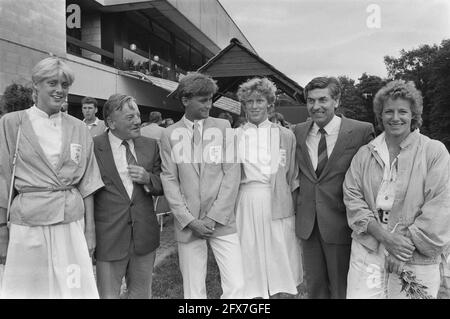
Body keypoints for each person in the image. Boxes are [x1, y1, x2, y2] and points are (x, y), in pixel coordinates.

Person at [0, 56, 103, 298]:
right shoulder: (11, 123)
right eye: (52, 83)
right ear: (36, 84)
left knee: (74, 289)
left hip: (70, 222)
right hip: (28, 222)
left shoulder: (79, 127)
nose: (60, 91)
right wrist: (1, 231)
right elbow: (3, 179)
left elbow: (87, 182)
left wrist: (90, 231)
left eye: (65, 85)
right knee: (28, 290)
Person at [343, 80, 450, 298]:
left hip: (412, 253)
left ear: (414, 115)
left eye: (402, 111)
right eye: (388, 111)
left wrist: (401, 247)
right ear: (380, 116)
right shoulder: (366, 153)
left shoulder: (434, 152)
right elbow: (352, 196)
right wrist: (384, 237)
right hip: (368, 249)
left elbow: (440, 207)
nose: (395, 117)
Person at [160, 72, 245, 299]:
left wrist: (213, 216)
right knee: (193, 291)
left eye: (210, 99)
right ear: (185, 100)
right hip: (189, 223)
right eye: (203, 100)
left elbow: (232, 173)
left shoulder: (224, 126)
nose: (209, 105)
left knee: (236, 284)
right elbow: (169, 179)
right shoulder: (168, 134)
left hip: (222, 219)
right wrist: (189, 220)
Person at [294, 76, 375, 299]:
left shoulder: (361, 131)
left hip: (342, 222)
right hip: (308, 224)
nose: (316, 106)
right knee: (316, 288)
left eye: (323, 100)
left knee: (342, 288)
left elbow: (371, 177)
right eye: (310, 101)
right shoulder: (297, 132)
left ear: (336, 101)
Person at [235, 77, 303, 298]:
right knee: (249, 252)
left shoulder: (285, 135)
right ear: (243, 105)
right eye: (249, 102)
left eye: (259, 101)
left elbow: (292, 174)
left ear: (269, 104)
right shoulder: (234, 136)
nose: (254, 106)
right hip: (245, 200)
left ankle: (280, 292)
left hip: (278, 200)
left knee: (279, 254)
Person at [93, 94, 163, 299]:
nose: (138, 121)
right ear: (111, 122)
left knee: (141, 294)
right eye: (130, 117)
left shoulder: (151, 145)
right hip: (109, 237)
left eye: (138, 115)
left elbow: (164, 183)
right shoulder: (94, 147)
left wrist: (148, 178)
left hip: (144, 236)